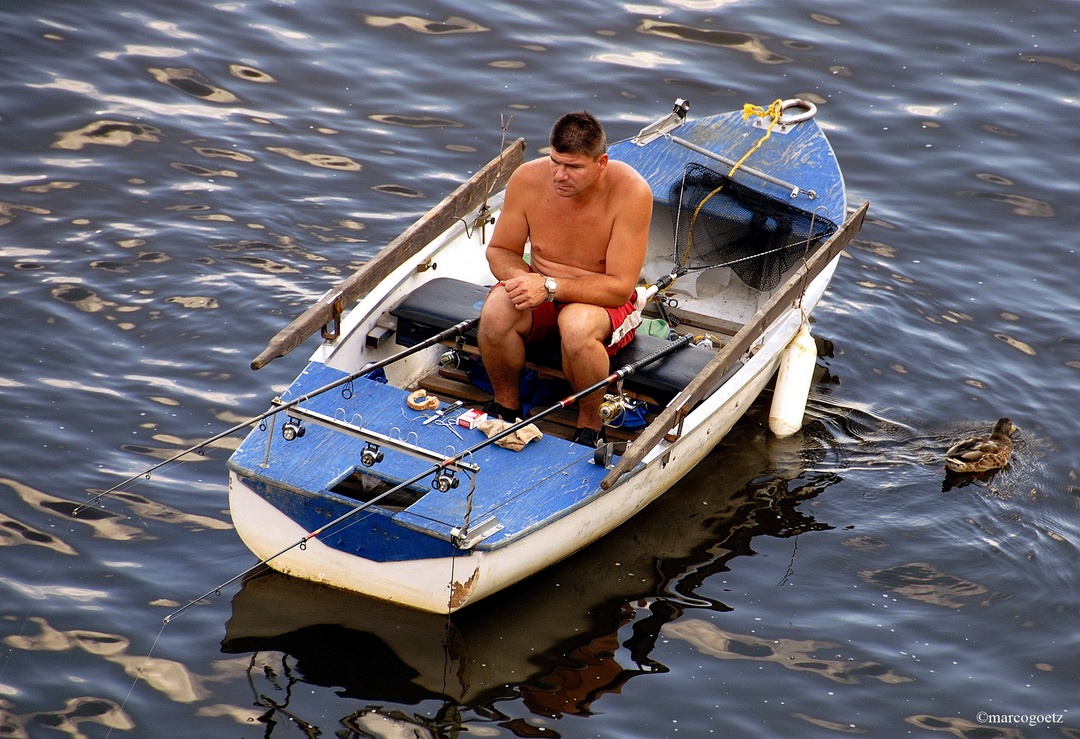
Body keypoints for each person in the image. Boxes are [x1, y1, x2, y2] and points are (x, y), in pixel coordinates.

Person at [477, 111, 653, 446]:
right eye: (555, 162)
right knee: (497, 309)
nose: (560, 175)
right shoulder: (527, 179)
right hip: (541, 286)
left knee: (575, 325)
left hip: (600, 298)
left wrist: (549, 288)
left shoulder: (631, 192)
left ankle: (590, 423)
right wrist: (523, 281)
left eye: (573, 167)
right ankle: (506, 407)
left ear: (601, 162)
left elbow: (619, 288)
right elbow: (500, 251)